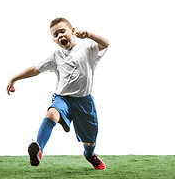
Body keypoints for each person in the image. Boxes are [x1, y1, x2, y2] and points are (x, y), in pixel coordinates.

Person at [6, 18, 109, 170]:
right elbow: (35, 69)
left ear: (72, 31)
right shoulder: (56, 56)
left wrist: (89, 34)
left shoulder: (87, 49)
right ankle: (38, 150)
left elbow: (105, 43)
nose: (60, 36)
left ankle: (89, 154)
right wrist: (14, 78)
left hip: (84, 102)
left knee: (90, 140)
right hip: (63, 99)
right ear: (54, 40)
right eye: (56, 35)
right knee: (52, 113)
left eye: (62, 32)